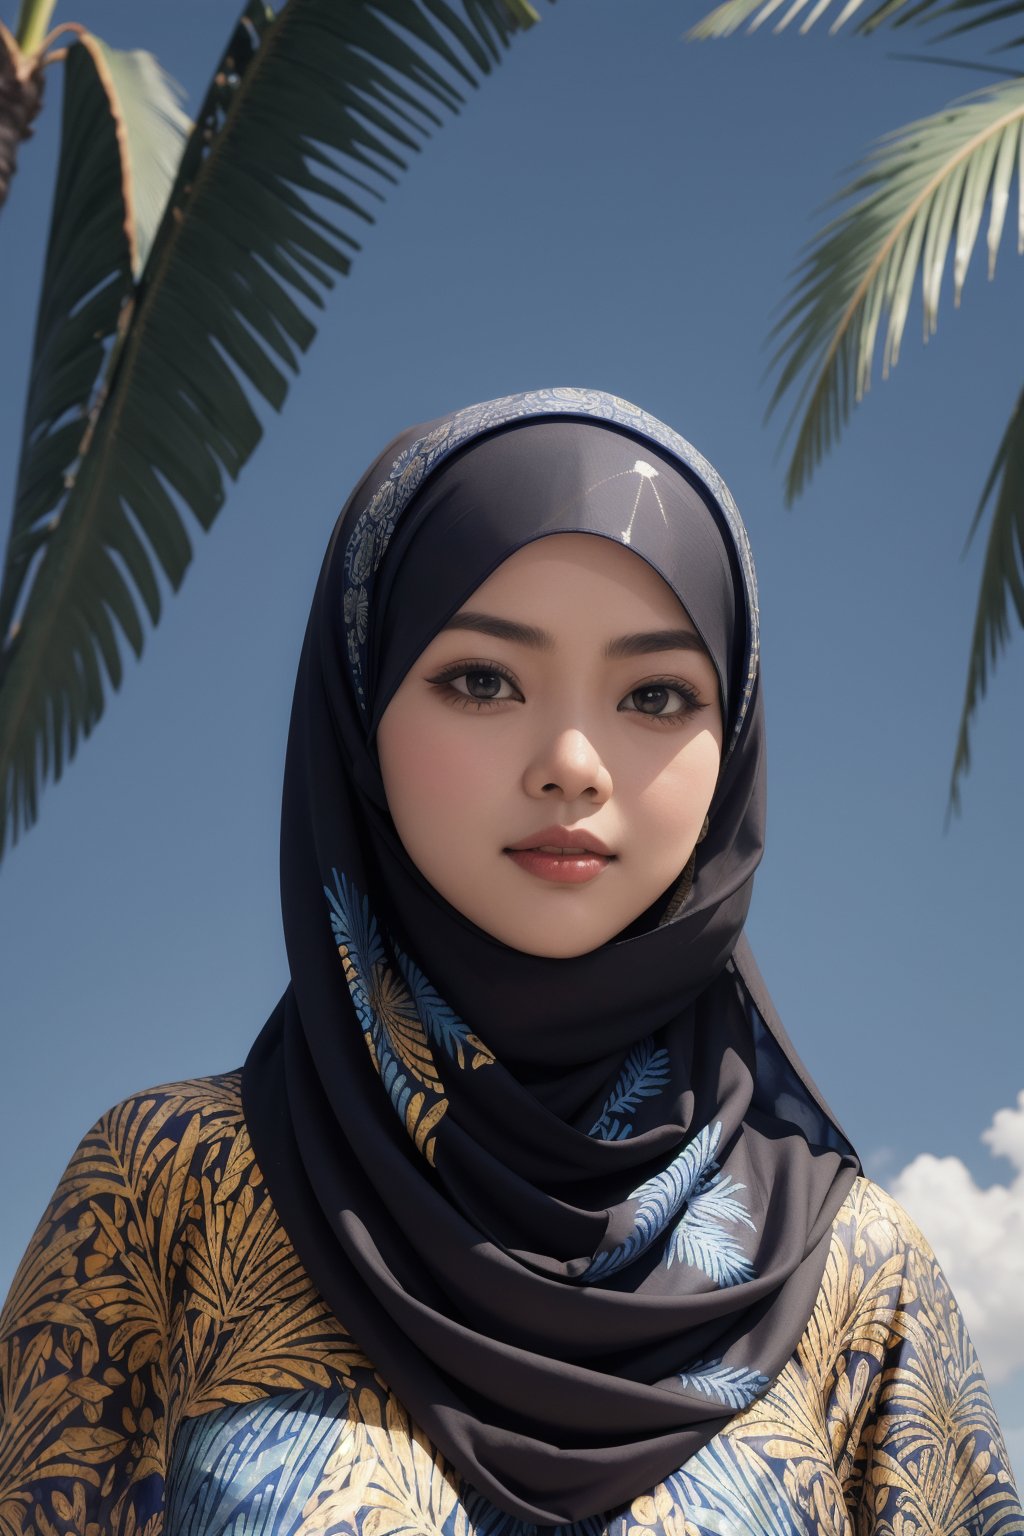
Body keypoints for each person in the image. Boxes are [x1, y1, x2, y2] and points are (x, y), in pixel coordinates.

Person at [0, 387, 1019, 1536]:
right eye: (482, 680)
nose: (573, 763)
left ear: (730, 743)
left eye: (654, 694)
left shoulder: (856, 1275)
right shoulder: (170, 1188)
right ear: (357, 705)